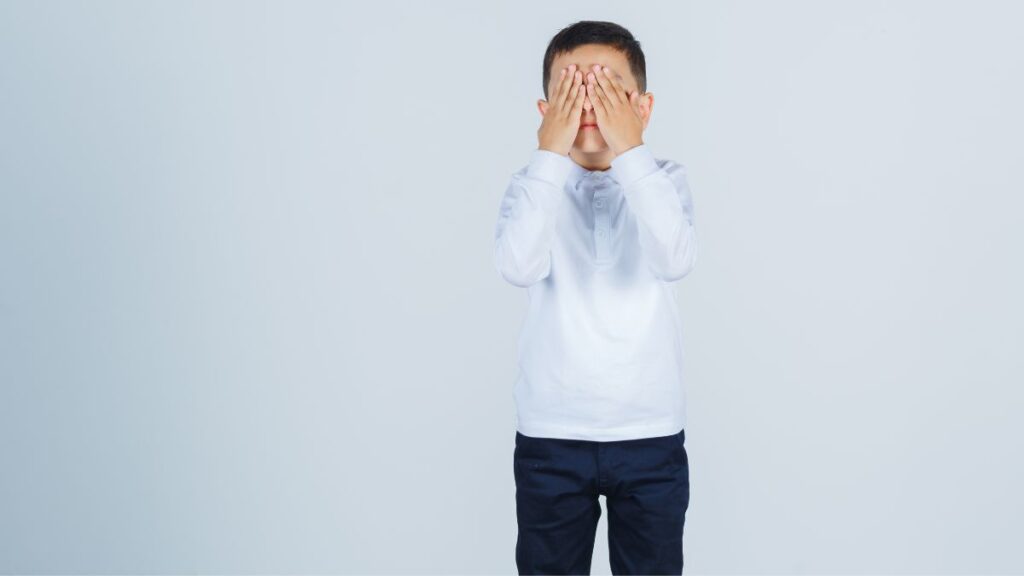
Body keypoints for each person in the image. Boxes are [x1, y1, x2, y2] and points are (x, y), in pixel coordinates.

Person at [492, 20, 698, 575]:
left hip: (649, 434)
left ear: (644, 107)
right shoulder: (532, 185)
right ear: (545, 110)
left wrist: (630, 149)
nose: (589, 104)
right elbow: (517, 265)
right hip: (551, 437)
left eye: (607, 89)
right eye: (571, 90)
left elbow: (674, 258)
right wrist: (549, 156)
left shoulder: (665, 181)